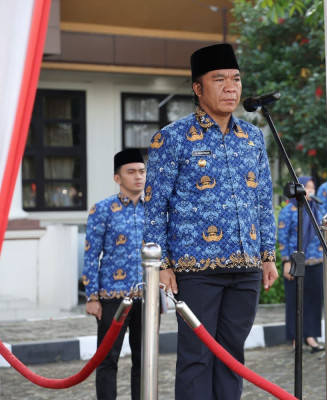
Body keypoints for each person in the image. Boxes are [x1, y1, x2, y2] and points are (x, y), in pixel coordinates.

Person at [143, 43, 278, 400]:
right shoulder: (171, 139)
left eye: (236, 79)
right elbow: (155, 205)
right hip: (195, 269)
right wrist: (162, 264)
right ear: (197, 88)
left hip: (246, 265)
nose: (231, 87)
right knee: (196, 358)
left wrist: (268, 255)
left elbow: (263, 199)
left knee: (233, 356)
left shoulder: (251, 138)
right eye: (219, 79)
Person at [82, 148, 146, 400]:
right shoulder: (102, 209)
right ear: (117, 178)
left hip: (147, 296)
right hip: (112, 298)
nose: (138, 177)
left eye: (141, 171)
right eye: (131, 172)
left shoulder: (153, 210)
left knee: (144, 361)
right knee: (107, 360)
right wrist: (92, 297)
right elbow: (90, 255)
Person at [278, 176, 325, 352]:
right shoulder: (289, 210)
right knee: (295, 301)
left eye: (313, 188)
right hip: (296, 262)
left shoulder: (317, 210)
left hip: (316, 261)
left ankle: (311, 336)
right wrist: (286, 262)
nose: (311, 191)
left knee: (313, 300)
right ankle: (295, 338)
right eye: (308, 187)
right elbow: (283, 238)